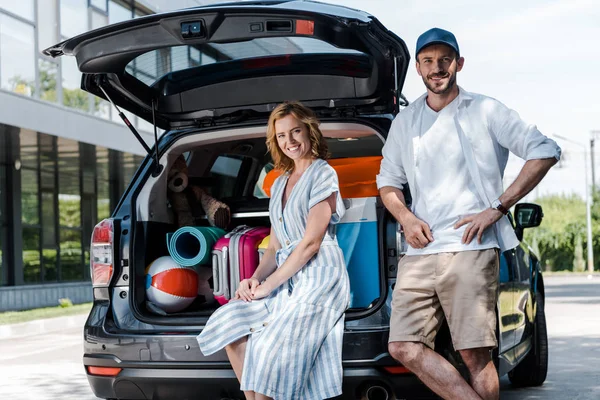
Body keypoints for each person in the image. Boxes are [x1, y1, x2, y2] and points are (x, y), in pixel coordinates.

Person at [377, 28, 561, 400]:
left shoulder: (486, 110)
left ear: (459, 63)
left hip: (471, 247)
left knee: (474, 354)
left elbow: (544, 150)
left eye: (445, 59)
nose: (437, 67)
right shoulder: (405, 122)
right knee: (402, 347)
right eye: (428, 61)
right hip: (420, 250)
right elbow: (387, 184)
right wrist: (407, 218)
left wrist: (497, 208)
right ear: (417, 68)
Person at [197, 101, 350, 400]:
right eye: (281, 136)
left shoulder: (323, 174)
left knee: (268, 352)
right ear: (275, 141)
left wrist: (269, 285)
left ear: (309, 132)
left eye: (295, 132)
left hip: (319, 277)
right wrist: (253, 280)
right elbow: (275, 246)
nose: (290, 141)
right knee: (230, 323)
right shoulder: (278, 184)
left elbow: (310, 244)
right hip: (284, 277)